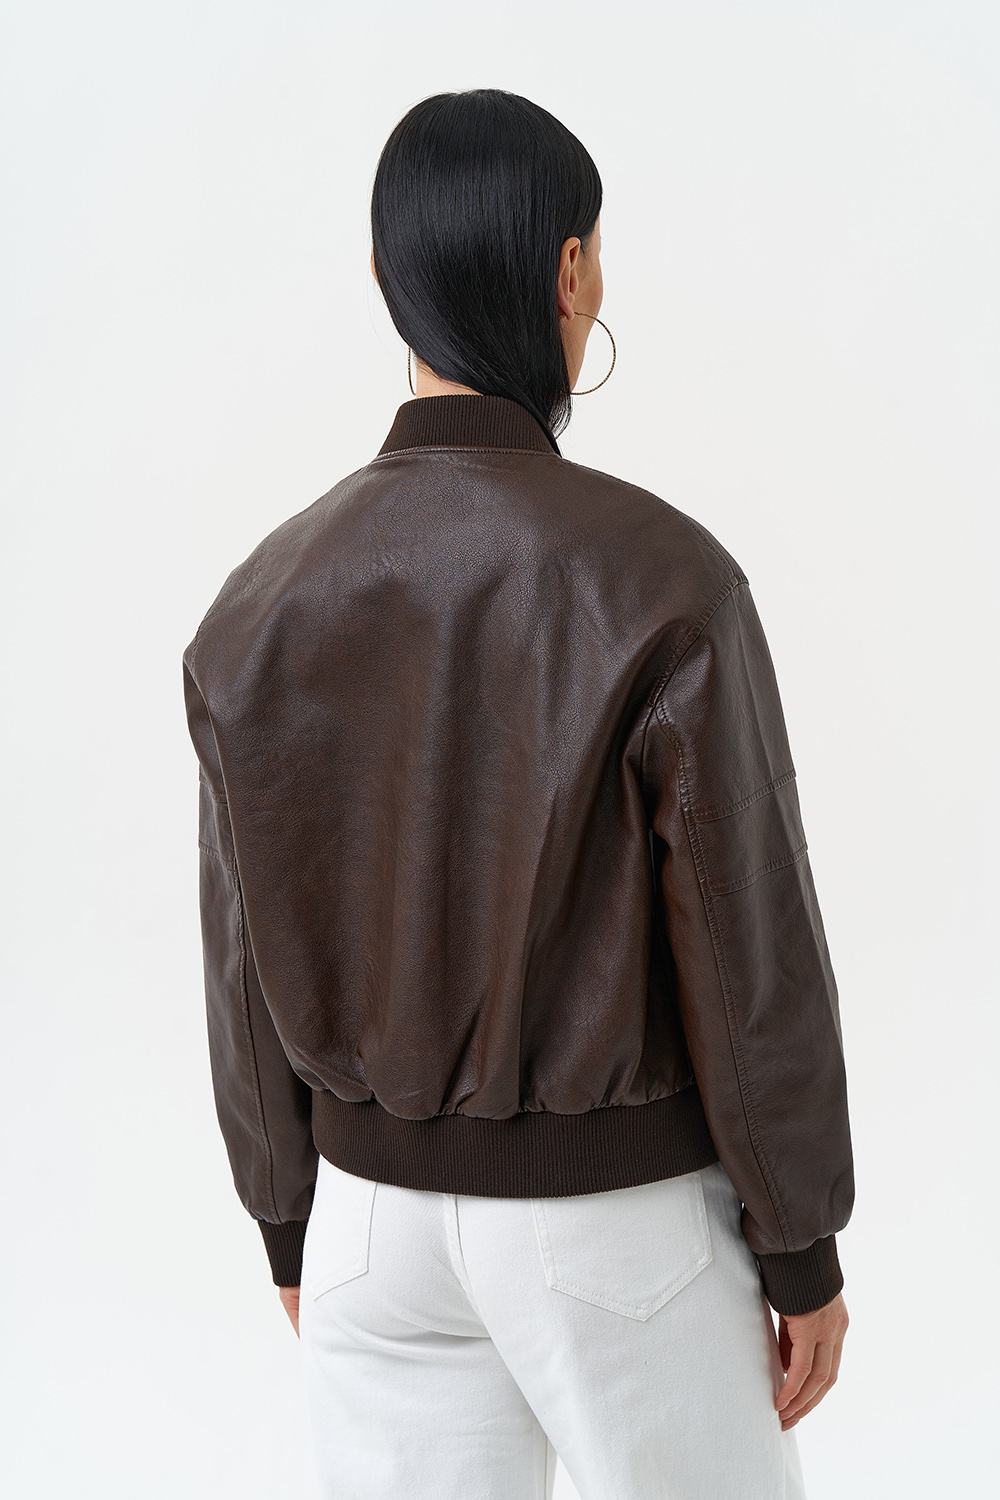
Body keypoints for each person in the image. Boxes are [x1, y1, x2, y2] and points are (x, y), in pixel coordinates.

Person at [182, 88, 854, 1500]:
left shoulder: (256, 607)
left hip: (367, 1230)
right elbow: (746, 949)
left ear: (387, 278)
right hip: (612, 1223)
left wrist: (290, 1218)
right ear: (570, 269)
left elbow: (240, 968)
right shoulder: (663, 582)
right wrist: (800, 1244)